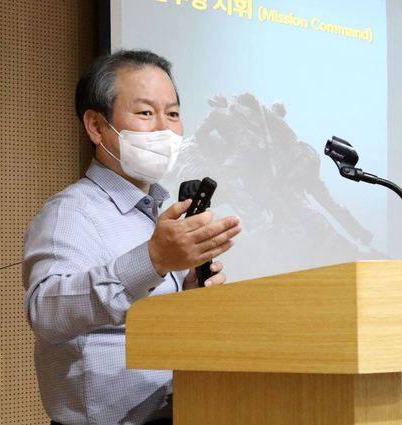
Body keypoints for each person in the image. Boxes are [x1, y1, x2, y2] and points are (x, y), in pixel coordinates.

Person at [21, 50, 241, 425]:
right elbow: (47, 312)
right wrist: (153, 261)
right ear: (96, 126)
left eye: (173, 114)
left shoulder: (158, 212)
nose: (164, 129)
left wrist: (189, 294)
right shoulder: (70, 212)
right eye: (145, 113)